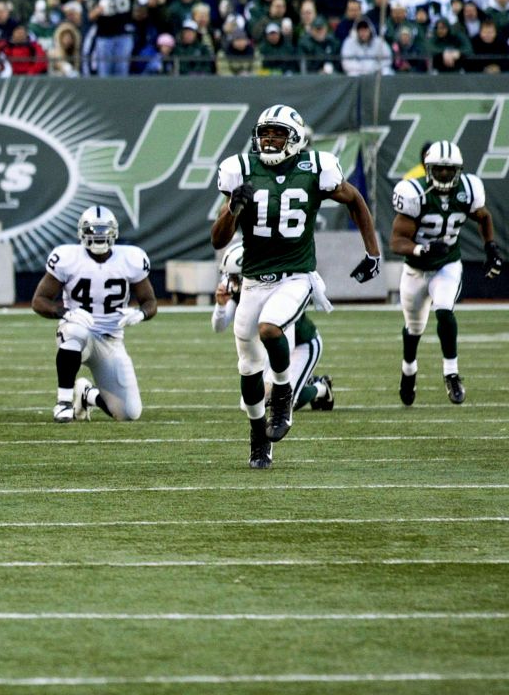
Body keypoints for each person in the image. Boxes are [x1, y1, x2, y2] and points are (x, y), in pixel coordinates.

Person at [211, 105, 381, 469]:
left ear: (296, 139)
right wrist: (232, 209)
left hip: (297, 276)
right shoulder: (240, 170)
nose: (269, 140)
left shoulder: (316, 167)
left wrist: (372, 252)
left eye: (278, 134)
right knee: (248, 368)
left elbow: (355, 201)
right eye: (265, 133)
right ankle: (259, 441)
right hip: (255, 281)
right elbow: (217, 239)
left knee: (270, 328)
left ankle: (284, 392)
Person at [389, 140, 503, 406]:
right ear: (428, 169)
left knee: (444, 309)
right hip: (416, 270)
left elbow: (484, 216)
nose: (443, 174)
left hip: (447, 265)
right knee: (414, 329)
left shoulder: (469, 189)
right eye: (438, 169)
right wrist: (422, 249)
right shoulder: (413, 193)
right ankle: (408, 371)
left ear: (459, 170)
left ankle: (451, 373)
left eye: (448, 170)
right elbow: (396, 241)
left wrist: (491, 247)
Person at [31, 206, 157, 424]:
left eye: (103, 231)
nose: (98, 236)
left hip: (111, 340)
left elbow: (150, 301)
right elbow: (39, 301)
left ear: (114, 233)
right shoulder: (67, 257)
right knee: (75, 331)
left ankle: (86, 394)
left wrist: (141, 313)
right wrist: (67, 313)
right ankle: (63, 404)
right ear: (82, 233)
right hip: (79, 332)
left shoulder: (132, 258)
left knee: (128, 413)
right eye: (93, 231)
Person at [212, 242, 334, 412]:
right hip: (272, 350)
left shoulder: (277, 293)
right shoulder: (243, 290)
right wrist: (220, 305)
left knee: (284, 401)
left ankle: (321, 388)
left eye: (233, 277)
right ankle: (304, 382)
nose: (229, 282)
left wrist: (270, 382)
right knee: (248, 403)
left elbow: (287, 344)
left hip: (302, 346)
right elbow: (218, 327)